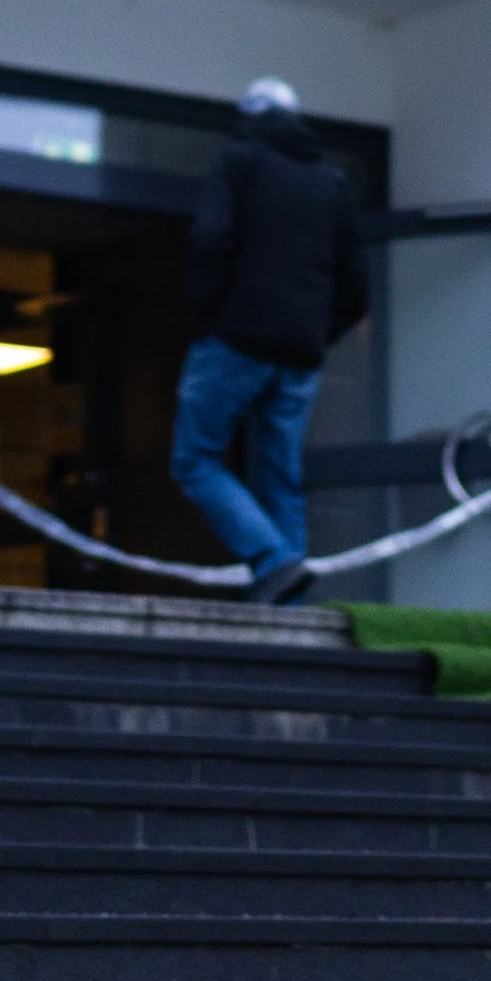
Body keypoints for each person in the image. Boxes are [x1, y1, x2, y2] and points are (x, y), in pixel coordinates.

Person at [169, 79, 370, 606]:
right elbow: (357, 283)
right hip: (299, 355)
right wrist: (316, 333)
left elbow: (210, 240)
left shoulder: (240, 163)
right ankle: (291, 612)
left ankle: (273, 559)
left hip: (236, 339)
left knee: (195, 458)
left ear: (249, 118)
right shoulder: (330, 182)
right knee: (280, 475)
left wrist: (214, 314)